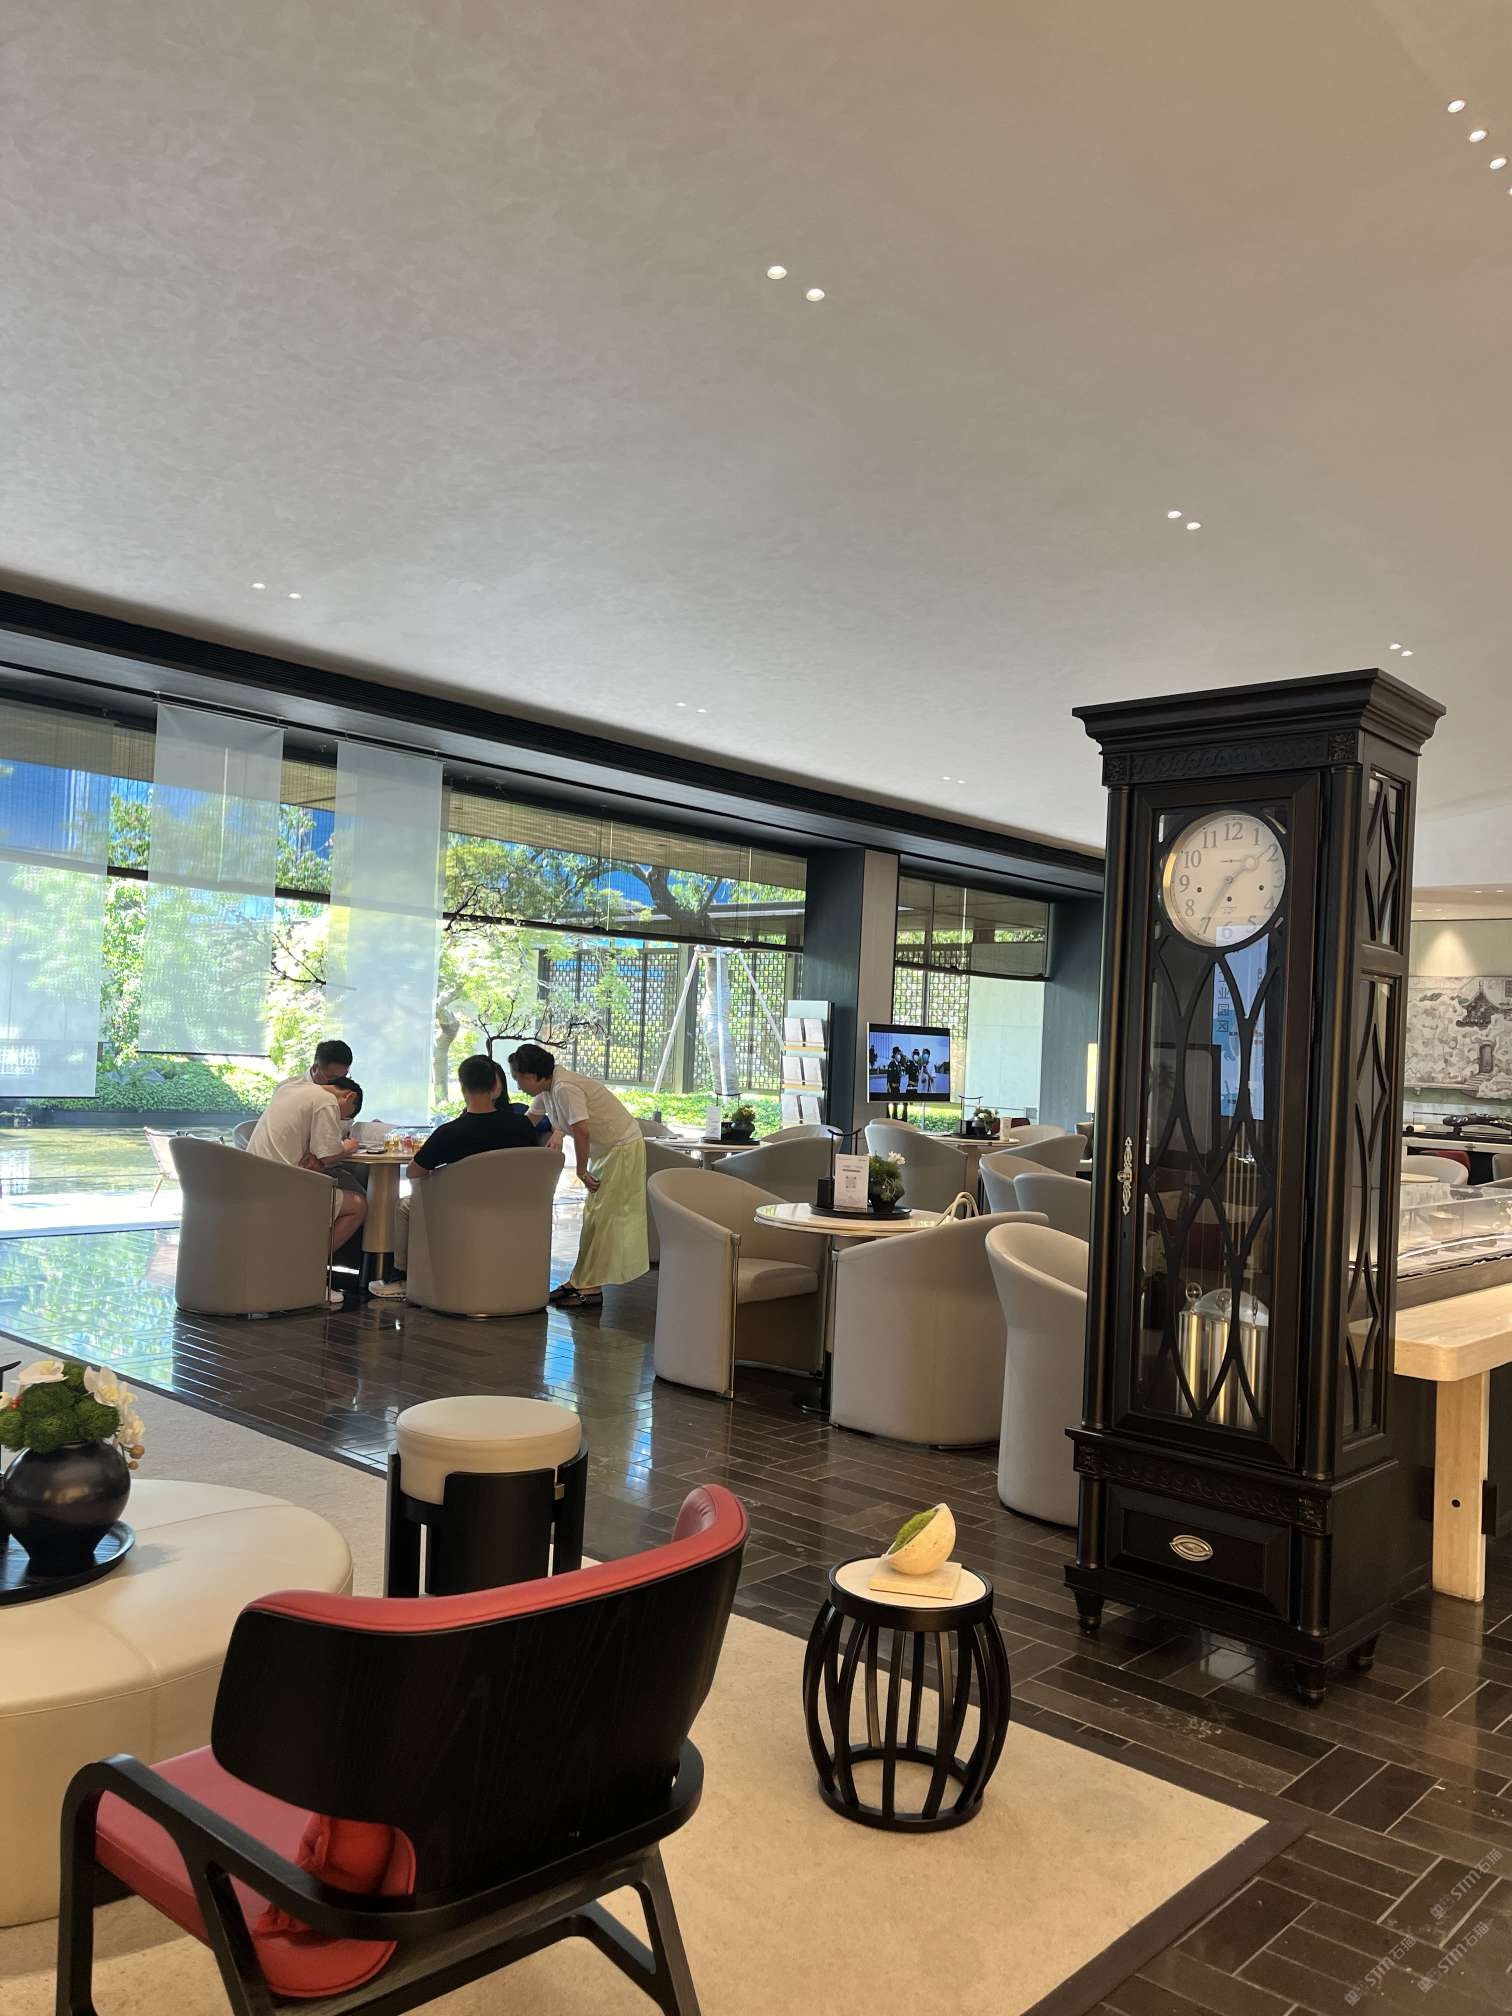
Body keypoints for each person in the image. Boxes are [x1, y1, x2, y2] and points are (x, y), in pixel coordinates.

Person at [370, 1054, 538, 1300]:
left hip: (462, 1207)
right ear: (496, 1086)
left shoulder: (450, 1133)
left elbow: (414, 1171)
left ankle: (401, 1278)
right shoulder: (522, 1126)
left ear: (462, 1088)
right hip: (516, 1205)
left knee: (404, 1206)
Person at [508, 1041, 647, 1309]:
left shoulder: (564, 1087)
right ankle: (580, 1280)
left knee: (603, 1218)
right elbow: (527, 1123)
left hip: (621, 1148)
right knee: (594, 1216)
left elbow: (582, 1130)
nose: (519, 1086)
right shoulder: (548, 1090)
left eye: (519, 1079)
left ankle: (591, 1287)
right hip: (606, 1149)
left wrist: (581, 1171)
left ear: (533, 1075)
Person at [247, 1073, 367, 1303]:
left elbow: (313, 1152)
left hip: (253, 1181)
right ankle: (305, 1275)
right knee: (358, 1205)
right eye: (346, 1116)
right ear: (349, 1096)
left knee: (331, 1189)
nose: (341, 1121)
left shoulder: (290, 1087)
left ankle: (294, 1269)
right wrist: (349, 1146)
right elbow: (328, 1154)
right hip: (284, 1188)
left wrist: (318, 1157)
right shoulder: (327, 1101)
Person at [278, 1038, 353, 1090]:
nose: (338, 1084)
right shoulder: (287, 1088)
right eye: (332, 1078)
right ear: (315, 1069)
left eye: (344, 1077)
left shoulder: (345, 1093)